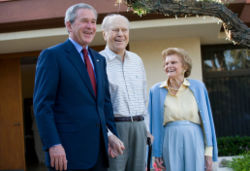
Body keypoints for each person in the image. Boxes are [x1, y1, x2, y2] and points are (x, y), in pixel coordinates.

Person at [33, 3, 124, 171]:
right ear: (69, 25)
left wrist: (110, 135)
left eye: (93, 22)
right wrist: (53, 144)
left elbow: (104, 103)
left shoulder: (99, 60)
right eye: (84, 21)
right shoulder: (52, 56)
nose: (90, 27)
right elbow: (43, 107)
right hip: (67, 154)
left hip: (99, 152)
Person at [148, 47, 218, 171]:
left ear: (185, 66)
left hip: (195, 137)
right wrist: (156, 152)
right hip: (169, 138)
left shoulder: (198, 87)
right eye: (166, 63)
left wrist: (209, 151)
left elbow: (207, 121)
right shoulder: (156, 90)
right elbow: (152, 124)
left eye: (173, 62)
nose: (168, 65)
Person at [100, 14, 153, 171]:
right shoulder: (98, 61)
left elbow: (144, 99)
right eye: (115, 30)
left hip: (139, 127)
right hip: (115, 128)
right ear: (104, 34)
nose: (120, 34)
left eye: (124, 30)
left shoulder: (137, 60)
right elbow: (96, 106)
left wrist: (147, 129)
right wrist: (108, 134)